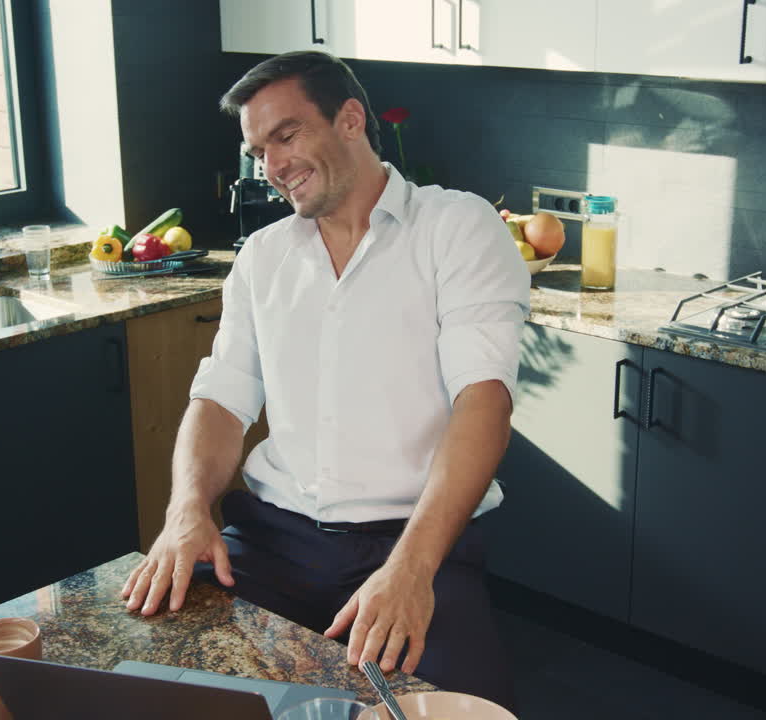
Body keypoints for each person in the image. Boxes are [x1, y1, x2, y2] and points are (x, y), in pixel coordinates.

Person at [119, 50, 528, 710]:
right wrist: (186, 510)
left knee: (467, 711)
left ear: (349, 119)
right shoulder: (263, 257)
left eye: (287, 135)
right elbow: (223, 397)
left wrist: (413, 568)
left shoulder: (457, 228)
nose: (272, 167)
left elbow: (483, 399)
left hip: (416, 543)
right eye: (259, 150)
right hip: (270, 545)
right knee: (161, 692)